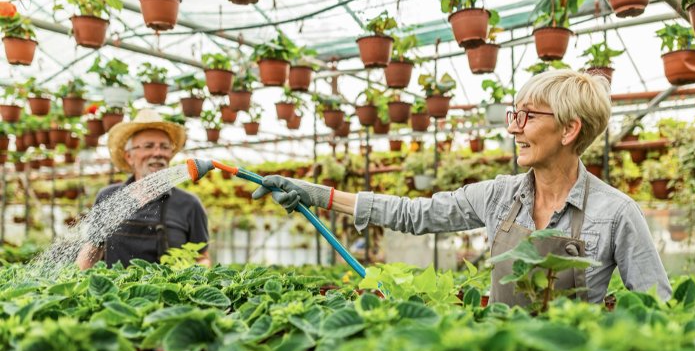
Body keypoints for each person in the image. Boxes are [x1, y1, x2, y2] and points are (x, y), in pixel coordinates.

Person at [252, 70, 672, 306]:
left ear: (569, 129)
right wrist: (315, 193)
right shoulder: (499, 195)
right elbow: (411, 214)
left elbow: (659, 309)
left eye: (527, 117)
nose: (513, 127)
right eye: (514, 114)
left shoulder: (616, 212)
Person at [76, 109, 210, 269]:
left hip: (170, 293)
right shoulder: (109, 197)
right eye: (148, 146)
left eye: (164, 147)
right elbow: (92, 251)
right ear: (129, 157)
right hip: (115, 292)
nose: (158, 153)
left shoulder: (189, 204)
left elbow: (202, 258)